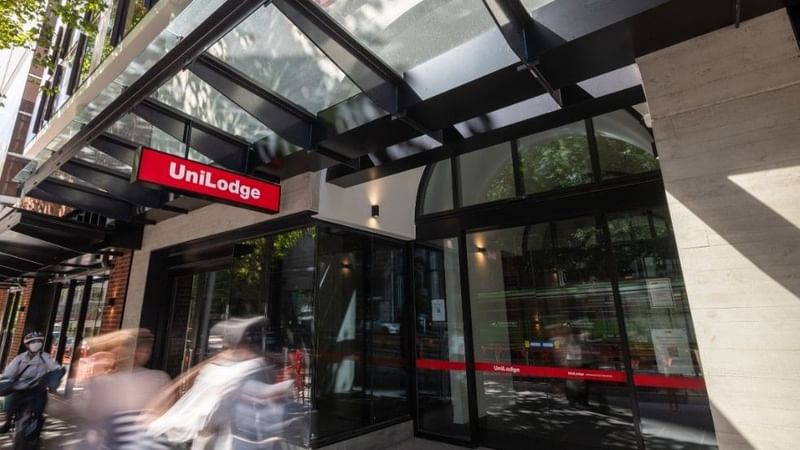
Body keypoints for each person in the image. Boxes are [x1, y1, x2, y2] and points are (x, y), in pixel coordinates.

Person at [0, 331, 63, 449]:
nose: (36, 344)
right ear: (27, 344)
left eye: (39, 341)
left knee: (39, 413)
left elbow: (55, 368)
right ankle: (8, 423)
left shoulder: (45, 357)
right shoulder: (19, 359)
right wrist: (7, 383)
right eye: (33, 342)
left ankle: (36, 434)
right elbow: (8, 374)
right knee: (13, 407)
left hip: (38, 391)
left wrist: (55, 376)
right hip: (21, 390)